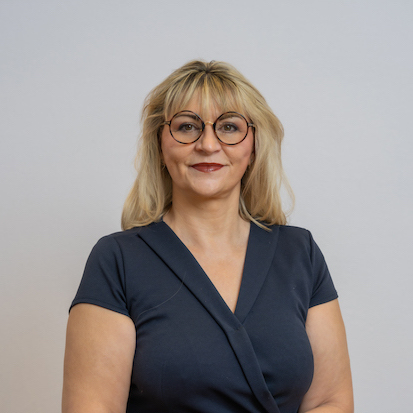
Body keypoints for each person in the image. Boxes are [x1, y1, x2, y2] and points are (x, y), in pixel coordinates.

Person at [62, 60, 353, 413]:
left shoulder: (300, 253)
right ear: (160, 144)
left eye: (229, 127)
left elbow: (331, 401)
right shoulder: (117, 260)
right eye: (187, 126)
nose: (208, 144)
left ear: (254, 146)